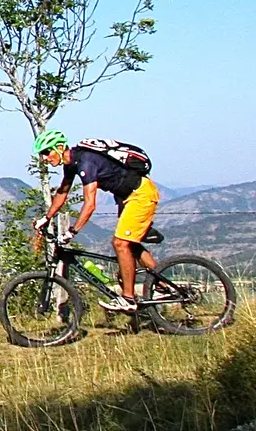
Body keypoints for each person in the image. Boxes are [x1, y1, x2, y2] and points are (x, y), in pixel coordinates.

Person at [32, 130, 160, 313]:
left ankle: (128, 299)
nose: (44, 158)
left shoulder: (86, 163)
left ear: (60, 148)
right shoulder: (71, 164)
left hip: (140, 195)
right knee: (129, 244)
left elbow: (90, 204)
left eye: (46, 152)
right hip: (127, 196)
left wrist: (72, 232)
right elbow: (62, 192)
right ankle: (160, 281)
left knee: (120, 243)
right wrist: (46, 218)